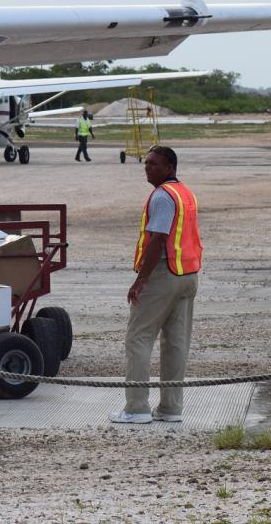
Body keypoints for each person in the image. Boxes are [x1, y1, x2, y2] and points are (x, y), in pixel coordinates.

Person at [109, 145, 202, 424]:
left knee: (138, 337)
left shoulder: (162, 196)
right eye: (146, 163)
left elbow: (157, 239)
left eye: (153, 164)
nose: (147, 168)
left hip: (164, 274)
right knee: (176, 343)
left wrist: (140, 281)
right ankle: (171, 409)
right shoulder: (185, 193)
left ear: (169, 168)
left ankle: (136, 408)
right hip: (188, 274)